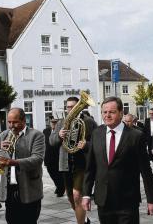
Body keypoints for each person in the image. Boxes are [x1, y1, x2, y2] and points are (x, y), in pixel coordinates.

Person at [83, 97, 153, 224]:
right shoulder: (96, 133)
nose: (107, 115)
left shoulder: (136, 136)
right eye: (104, 112)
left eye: (111, 112)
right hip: (103, 201)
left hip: (127, 202)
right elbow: (91, 167)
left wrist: (152, 199)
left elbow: (146, 171)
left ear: (121, 113)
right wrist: (86, 194)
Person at [50, 96, 97, 224]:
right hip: (65, 164)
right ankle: (84, 219)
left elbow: (97, 141)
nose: (70, 109)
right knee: (71, 198)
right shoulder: (61, 122)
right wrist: (59, 136)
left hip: (82, 164)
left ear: (78, 107)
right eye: (68, 107)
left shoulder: (88, 122)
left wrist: (86, 144)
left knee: (77, 195)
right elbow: (51, 142)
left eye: (73, 106)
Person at [0, 108, 45, 224]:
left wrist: (13, 162)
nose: (11, 126)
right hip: (9, 189)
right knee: (11, 220)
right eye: (9, 122)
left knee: (29, 221)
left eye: (15, 122)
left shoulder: (36, 135)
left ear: (24, 121)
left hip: (29, 187)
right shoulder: (3, 135)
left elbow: (37, 159)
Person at [43, 118, 65, 197]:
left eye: (55, 122)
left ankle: (60, 188)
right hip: (48, 156)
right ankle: (59, 186)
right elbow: (44, 144)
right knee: (51, 172)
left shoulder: (61, 131)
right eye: (52, 122)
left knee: (59, 173)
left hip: (58, 155)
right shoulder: (45, 131)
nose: (53, 124)